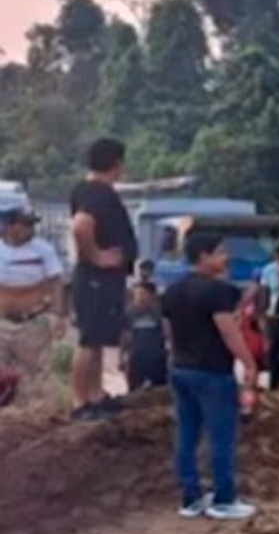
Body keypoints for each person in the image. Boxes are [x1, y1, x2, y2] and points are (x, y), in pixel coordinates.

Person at [163, 233, 258, 520]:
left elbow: (168, 332)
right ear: (203, 257)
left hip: (181, 370)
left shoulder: (172, 291)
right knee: (221, 438)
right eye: (219, 252)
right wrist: (249, 363)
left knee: (186, 436)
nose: (225, 257)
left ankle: (190, 499)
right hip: (213, 373)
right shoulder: (217, 291)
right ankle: (224, 498)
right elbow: (229, 332)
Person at [69, 137, 138, 421]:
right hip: (95, 276)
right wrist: (96, 255)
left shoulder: (93, 190)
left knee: (98, 338)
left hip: (106, 278)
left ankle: (96, 395)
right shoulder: (97, 191)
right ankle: (80, 400)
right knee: (88, 340)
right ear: (117, 163)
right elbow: (80, 226)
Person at [0, 207, 67, 406]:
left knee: (34, 376)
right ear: (10, 226)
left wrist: (59, 315)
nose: (30, 230)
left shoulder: (43, 250)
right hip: (2, 323)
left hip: (32, 323)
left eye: (31, 225)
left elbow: (56, 282)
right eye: (25, 225)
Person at [120, 281, 167, 392]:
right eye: (136, 294)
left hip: (157, 358)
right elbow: (124, 337)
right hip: (136, 358)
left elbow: (167, 333)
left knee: (160, 390)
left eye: (142, 294)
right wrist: (121, 358)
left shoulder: (159, 312)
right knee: (134, 390)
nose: (139, 298)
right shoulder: (129, 313)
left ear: (152, 296)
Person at [258, 240, 279, 390]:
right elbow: (264, 292)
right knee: (277, 350)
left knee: (276, 349)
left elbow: (263, 293)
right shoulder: (269, 270)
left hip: (278, 312)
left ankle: (277, 380)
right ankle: (277, 380)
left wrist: (262, 313)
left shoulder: (269, 269)